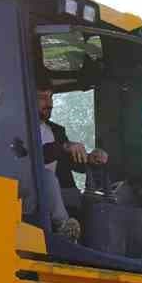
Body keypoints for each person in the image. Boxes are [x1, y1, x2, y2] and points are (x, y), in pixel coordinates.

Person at [36, 88, 108, 240]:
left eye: (51, 97)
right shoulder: (20, 129)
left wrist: (90, 159)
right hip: (34, 197)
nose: (50, 103)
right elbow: (36, 155)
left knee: (102, 207)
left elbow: (71, 161)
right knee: (47, 176)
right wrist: (64, 147)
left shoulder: (57, 130)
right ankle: (64, 226)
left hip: (66, 195)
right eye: (43, 97)